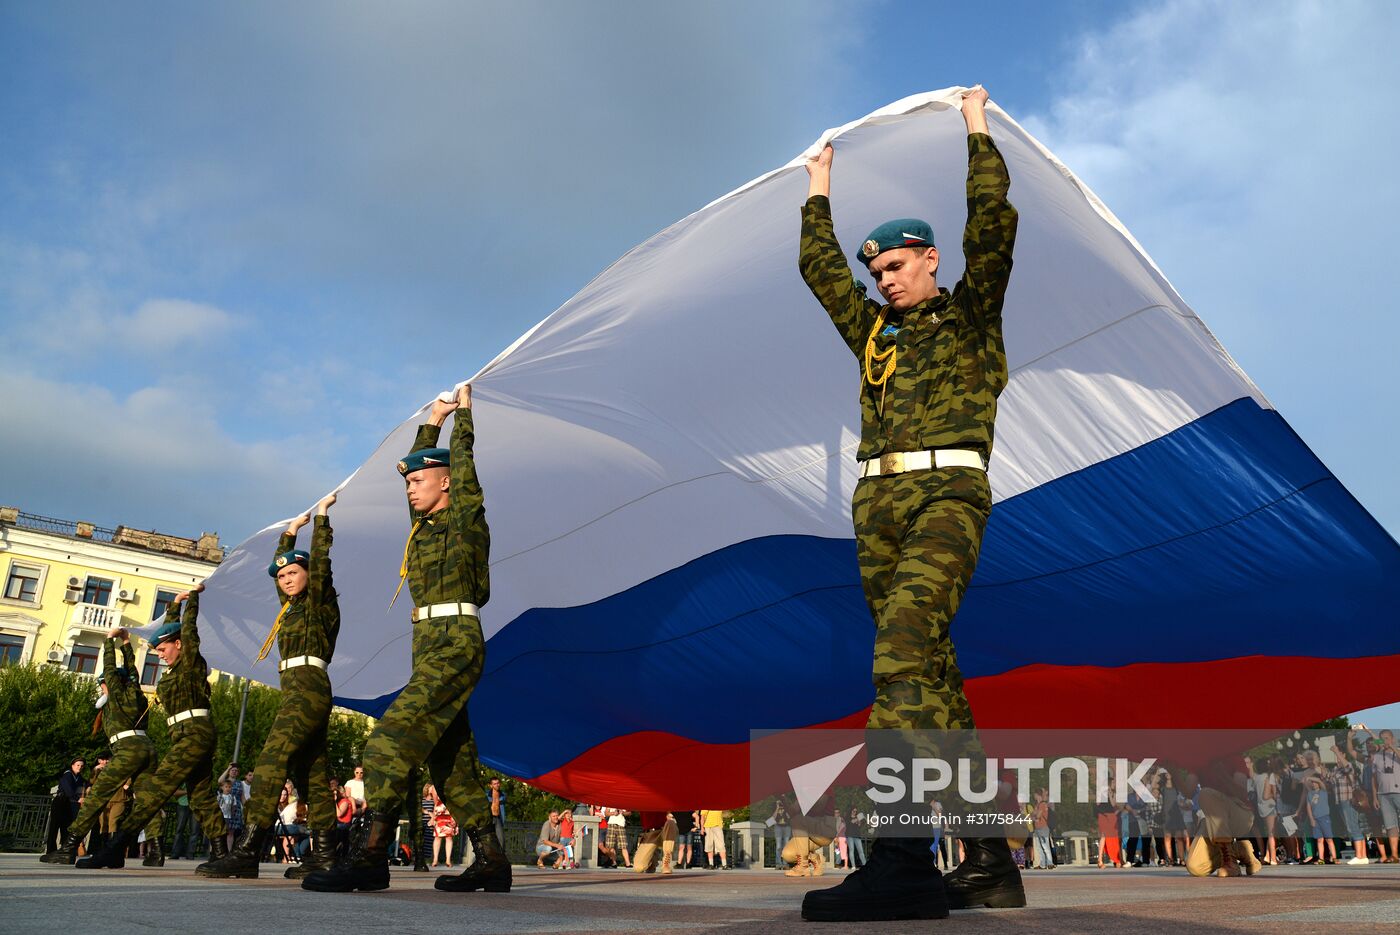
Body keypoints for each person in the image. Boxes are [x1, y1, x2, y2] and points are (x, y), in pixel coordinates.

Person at [797, 86, 1019, 922]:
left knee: (898, 652)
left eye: (896, 265)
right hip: (879, 506)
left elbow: (992, 228)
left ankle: (900, 852)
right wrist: (818, 183)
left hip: (947, 495)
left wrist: (975, 125)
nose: (884, 280)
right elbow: (820, 272)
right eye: (876, 272)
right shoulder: (875, 337)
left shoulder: (971, 319)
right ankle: (989, 859)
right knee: (932, 676)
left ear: (929, 258)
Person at [303, 384, 509, 894]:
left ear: (447, 482)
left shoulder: (464, 519)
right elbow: (419, 474)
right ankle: (492, 860)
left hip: (457, 640)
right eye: (408, 482)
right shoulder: (423, 528)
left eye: (420, 480)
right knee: (450, 761)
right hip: (428, 644)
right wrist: (431, 419)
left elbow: (464, 469)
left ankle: (371, 855)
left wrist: (461, 418)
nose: (411, 489)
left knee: (388, 740)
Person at [199, 493, 342, 879]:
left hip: (310, 685)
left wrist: (321, 521)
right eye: (281, 576)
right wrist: (289, 535)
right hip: (294, 688)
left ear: (308, 575)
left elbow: (322, 564)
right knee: (310, 772)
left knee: (271, 760)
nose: (286, 580)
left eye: (293, 573)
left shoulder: (319, 600)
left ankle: (248, 850)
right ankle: (325, 855)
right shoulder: (291, 607)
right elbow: (281, 572)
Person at [78, 587, 228, 868]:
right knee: (200, 795)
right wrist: (173, 605)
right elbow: (173, 630)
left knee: (156, 789)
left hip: (194, 732)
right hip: (188, 734)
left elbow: (188, 630)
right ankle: (222, 854)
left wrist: (192, 600)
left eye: (162, 649)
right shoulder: (173, 670)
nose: (159, 655)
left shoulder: (191, 664)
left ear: (180, 644)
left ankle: (115, 848)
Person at [43, 631, 164, 866]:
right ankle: (156, 852)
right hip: (147, 747)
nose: (101, 689)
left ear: (111, 683)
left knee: (97, 794)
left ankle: (68, 847)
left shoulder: (118, 694)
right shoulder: (134, 693)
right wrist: (127, 643)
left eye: (103, 685)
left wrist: (110, 641)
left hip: (128, 748)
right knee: (148, 800)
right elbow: (132, 671)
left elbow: (113, 669)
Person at [1371, 729, 1400, 863]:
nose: (1385, 741)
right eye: (1382, 739)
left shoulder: (1397, 751)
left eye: (1387, 738)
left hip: (1398, 792)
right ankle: (1394, 855)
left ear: (1392, 739)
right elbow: (1374, 778)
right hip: (1383, 794)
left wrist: (1392, 748)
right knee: (1390, 825)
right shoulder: (1376, 756)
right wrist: (1375, 796)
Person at [433, 794, 459, 868]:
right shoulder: (435, 786)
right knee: (437, 837)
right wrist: (434, 816)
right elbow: (435, 801)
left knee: (449, 837)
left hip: (451, 813)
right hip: (439, 813)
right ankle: (435, 859)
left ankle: (448, 860)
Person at [488, 776, 507, 847]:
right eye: (495, 784)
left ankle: (500, 857)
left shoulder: (503, 795)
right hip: (490, 818)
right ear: (491, 785)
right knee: (488, 839)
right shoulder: (487, 795)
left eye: (498, 783)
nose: (497, 785)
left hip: (498, 818)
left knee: (501, 840)